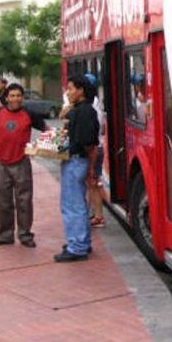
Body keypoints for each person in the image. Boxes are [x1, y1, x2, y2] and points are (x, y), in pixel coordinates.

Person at [0, 82, 49, 248]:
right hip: (1, 163)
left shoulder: (29, 114)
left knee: (24, 200)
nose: (15, 99)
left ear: (22, 97)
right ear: (6, 97)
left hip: (21, 162)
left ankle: (25, 235)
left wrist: (38, 146)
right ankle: (5, 235)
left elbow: (46, 129)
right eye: (12, 96)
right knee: (3, 201)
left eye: (18, 96)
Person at [55, 75, 99, 262]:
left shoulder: (84, 112)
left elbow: (90, 144)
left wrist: (91, 167)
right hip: (76, 160)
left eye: (71, 88)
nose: (68, 91)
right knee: (76, 203)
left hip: (76, 160)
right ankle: (81, 241)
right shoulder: (82, 110)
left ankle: (77, 246)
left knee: (73, 204)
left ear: (81, 90)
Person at [84, 73, 108, 228]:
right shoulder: (97, 104)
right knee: (94, 183)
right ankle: (97, 214)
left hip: (93, 150)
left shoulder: (90, 108)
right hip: (99, 146)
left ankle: (98, 216)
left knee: (92, 184)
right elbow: (104, 129)